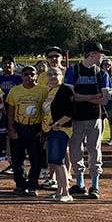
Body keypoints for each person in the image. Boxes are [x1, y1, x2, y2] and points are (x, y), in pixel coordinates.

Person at [65, 41, 112, 199]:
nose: (101, 57)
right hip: (76, 117)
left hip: (95, 117)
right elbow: (71, 97)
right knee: (76, 150)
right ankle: (80, 184)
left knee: (94, 149)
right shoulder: (74, 70)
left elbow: (104, 100)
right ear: (92, 54)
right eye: (99, 54)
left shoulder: (101, 73)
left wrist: (83, 98)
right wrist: (94, 97)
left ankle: (95, 185)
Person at [6, 64, 48, 197]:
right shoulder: (15, 90)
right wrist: (11, 128)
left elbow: (46, 111)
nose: (29, 76)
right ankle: (20, 184)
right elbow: (10, 111)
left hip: (35, 127)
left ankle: (32, 184)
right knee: (18, 158)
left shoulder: (42, 90)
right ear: (21, 76)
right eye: (25, 74)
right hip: (19, 126)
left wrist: (43, 130)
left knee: (36, 159)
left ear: (36, 76)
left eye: (32, 74)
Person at [43, 66, 75, 202]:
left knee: (59, 160)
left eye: (55, 74)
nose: (52, 77)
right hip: (50, 129)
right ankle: (59, 190)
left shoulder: (65, 89)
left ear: (61, 75)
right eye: (49, 74)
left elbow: (70, 112)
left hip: (60, 129)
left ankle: (66, 192)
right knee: (54, 161)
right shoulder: (50, 91)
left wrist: (58, 124)